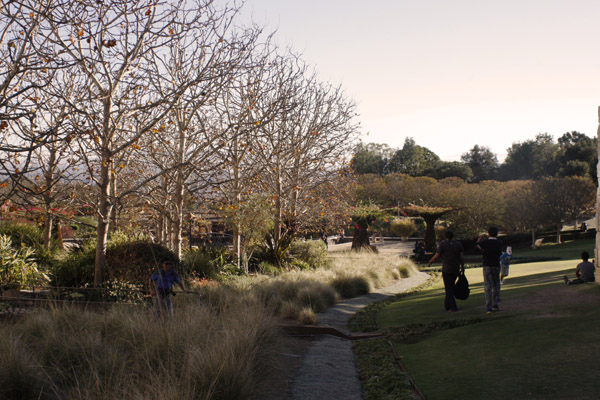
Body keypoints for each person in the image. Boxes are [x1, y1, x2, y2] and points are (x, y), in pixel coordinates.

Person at [427, 231, 464, 312]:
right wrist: (462, 266)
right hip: (455, 268)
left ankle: (453, 307)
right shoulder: (458, 244)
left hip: (447, 268)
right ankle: (447, 306)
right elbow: (461, 257)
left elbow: (436, 255)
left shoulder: (443, 244)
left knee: (448, 288)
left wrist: (430, 262)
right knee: (451, 286)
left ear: (446, 236)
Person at [477, 227, 503, 314]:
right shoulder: (499, 242)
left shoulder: (485, 242)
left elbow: (476, 248)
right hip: (496, 265)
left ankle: (489, 307)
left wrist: (478, 241)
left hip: (487, 265)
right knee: (496, 284)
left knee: (488, 285)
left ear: (488, 233)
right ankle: (495, 304)